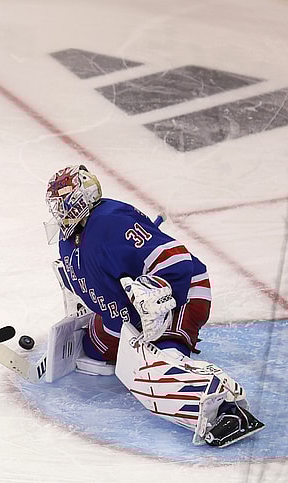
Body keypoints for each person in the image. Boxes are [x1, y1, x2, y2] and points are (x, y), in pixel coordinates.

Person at [43, 164, 264, 448]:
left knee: (156, 371)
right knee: (95, 351)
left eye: (66, 201)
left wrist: (154, 290)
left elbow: (177, 263)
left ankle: (225, 410)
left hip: (178, 298)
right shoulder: (67, 239)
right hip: (130, 314)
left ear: (84, 196)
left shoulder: (111, 222)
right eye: (57, 205)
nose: (61, 211)